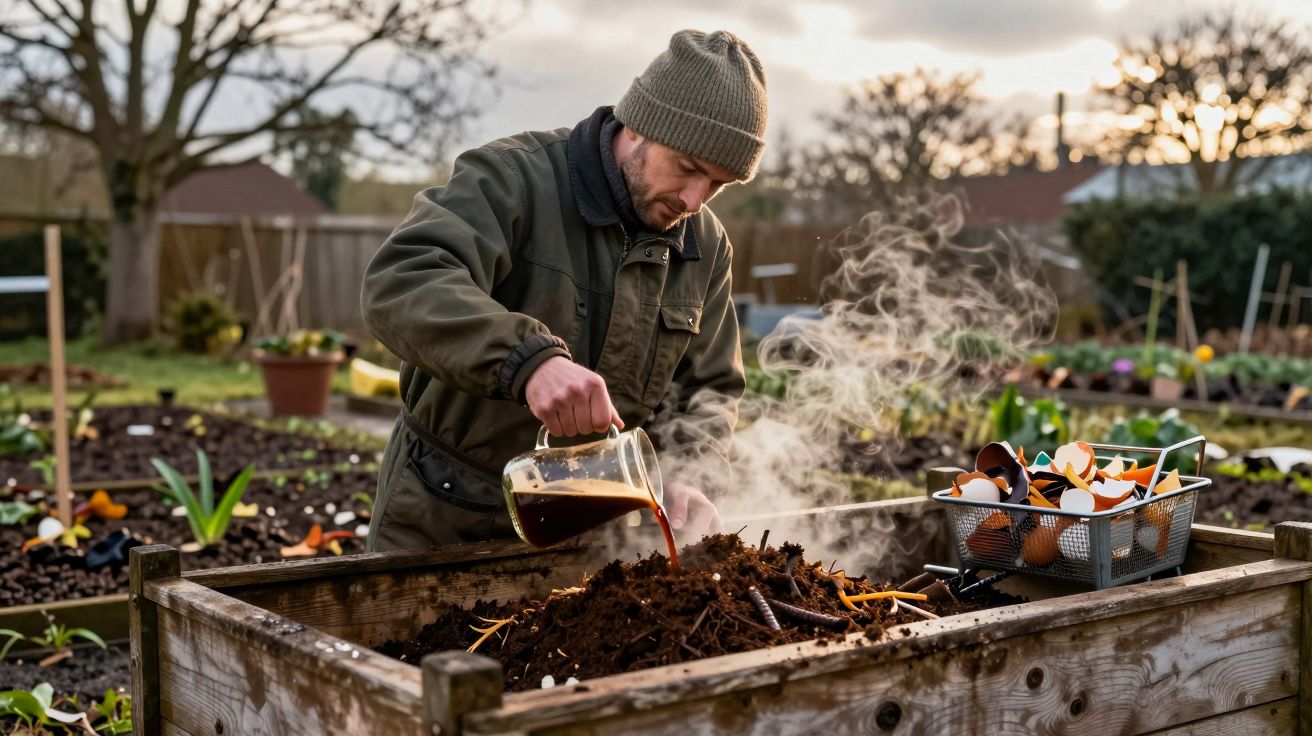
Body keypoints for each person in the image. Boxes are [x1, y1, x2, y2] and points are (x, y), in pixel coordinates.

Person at [361, 29, 767, 552]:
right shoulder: (511, 180)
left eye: (717, 184)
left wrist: (693, 472)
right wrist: (528, 361)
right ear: (640, 126)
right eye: (688, 168)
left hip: (594, 538)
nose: (695, 198)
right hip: (444, 516)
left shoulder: (705, 245)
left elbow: (709, 390)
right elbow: (402, 279)